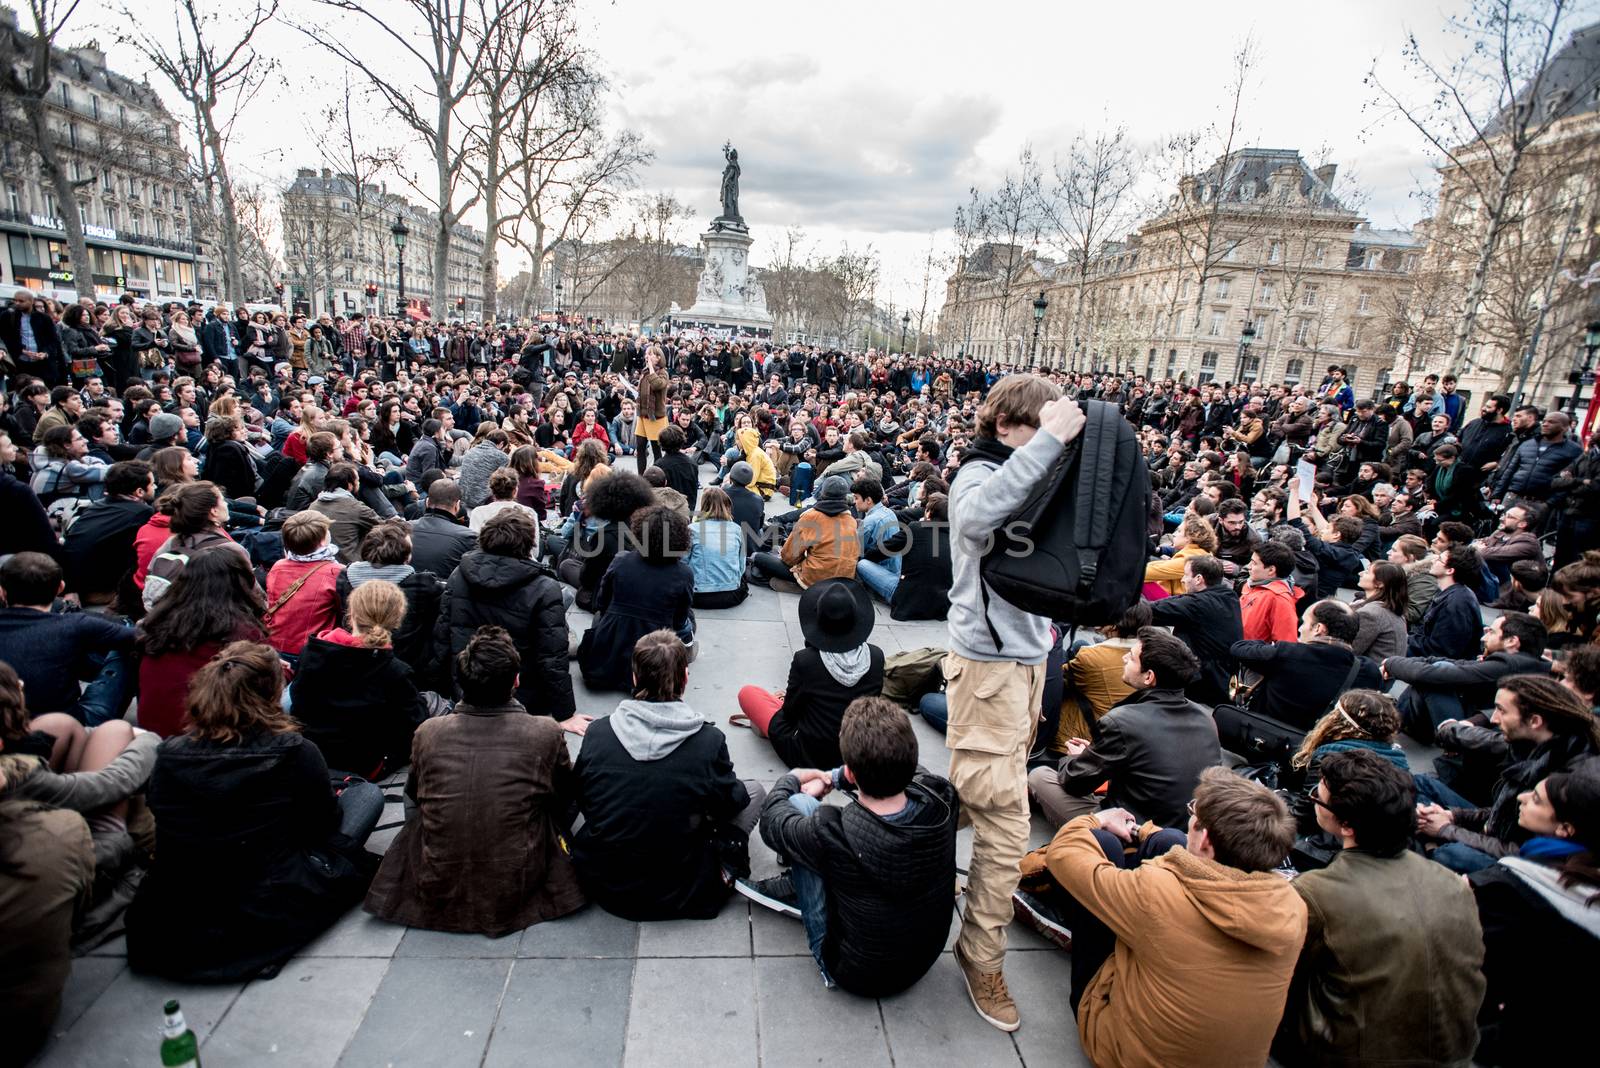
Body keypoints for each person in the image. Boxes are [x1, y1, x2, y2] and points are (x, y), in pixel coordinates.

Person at [943, 375, 1084, 1031]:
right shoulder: (978, 473)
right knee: (1006, 825)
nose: (1050, 447)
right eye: (1040, 431)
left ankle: (892, 840)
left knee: (976, 792)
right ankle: (981, 957)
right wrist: (1049, 439)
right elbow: (972, 521)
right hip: (989, 672)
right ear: (1005, 425)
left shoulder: (1030, 476)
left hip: (1027, 667)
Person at [125, 641, 383, 981]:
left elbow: (163, 816)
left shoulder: (171, 754)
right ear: (271, 694)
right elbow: (324, 824)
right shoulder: (295, 750)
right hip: (263, 909)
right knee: (365, 795)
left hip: (171, 924)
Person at [1042, 766, 1307, 1067]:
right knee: (1168, 840)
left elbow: (1063, 853)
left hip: (1124, 1054)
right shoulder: (1292, 906)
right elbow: (1183, 853)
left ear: (1205, 841)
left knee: (1105, 845)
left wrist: (1099, 818)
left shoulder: (1157, 892)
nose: (1189, 817)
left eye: (1193, 813)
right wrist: (1142, 831)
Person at [364, 625, 585, 936]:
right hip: (519, 876)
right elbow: (564, 795)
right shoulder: (544, 731)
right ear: (516, 681)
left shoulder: (429, 731)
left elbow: (415, 792)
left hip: (437, 879)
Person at [1274, 748, 1486, 1067]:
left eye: (1317, 798)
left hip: (1353, 1054)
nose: (1312, 800)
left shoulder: (1317, 892)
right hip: (1456, 1051)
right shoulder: (1452, 882)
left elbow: (1279, 968)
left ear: (1346, 825)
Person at [736, 696, 959, 996]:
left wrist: (792, 779)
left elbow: (773, 823)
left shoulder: (833, 831)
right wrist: (835, 778)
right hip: (921, 961)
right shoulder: (942, 797)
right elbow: (913, 772)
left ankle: (812, 925)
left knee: (800, 805)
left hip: (856, 973)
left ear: (854, 772)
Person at [572, 630, 764, 920]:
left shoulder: (598, 732)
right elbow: (731, 803)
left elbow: (584, 797)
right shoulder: (708, 741)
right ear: (685, 678)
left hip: (608, 885)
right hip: (685, 889)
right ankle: (723, 868)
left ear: (634, 677)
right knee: (754, 792)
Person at [1468, 768, 1600, 1066]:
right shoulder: (1583, 872)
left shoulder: (1516, 886)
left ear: (1566, 828)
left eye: (1537, 799)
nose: (1522, 797)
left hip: (1532, 1036)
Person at [1028, 627, 1222, 829]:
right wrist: (1094, 754)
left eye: (1130, 658)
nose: (1123, 660)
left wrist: (1075, 758)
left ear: (1149, 677)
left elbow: (1075, 783)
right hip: (1188, 828)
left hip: (1132, 830)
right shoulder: (1206, 717)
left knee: (1039, 776)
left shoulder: (1122, 721)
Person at [1415, 674, 1600, 872]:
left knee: (1451, 854)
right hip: (1496, 829)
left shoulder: (1573, 782)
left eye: (1501, 710)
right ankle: (1429, 843)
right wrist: (1453, 816)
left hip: (1526, 864)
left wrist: (1447, 830)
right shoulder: (1532, 747)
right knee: (1419, 785)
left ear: (1534, 721)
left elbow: (1524, 852)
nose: (1493, 719)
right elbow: (1502, 813)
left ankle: (1431, 847)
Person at [434, 509, 585, 732]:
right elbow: (552, 655)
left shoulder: (459, 574)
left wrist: (440, 693)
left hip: (466, 686)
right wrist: (565, 713)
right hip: (521, 694)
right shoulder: (544, 587)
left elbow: (442, 636)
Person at [733, 579, 886, 769]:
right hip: (856, 754)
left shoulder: (806, 661)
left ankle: (766, 725)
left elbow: (790, 713)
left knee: (748, 693)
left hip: (810, 756)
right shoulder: (876, 656)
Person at [289, 579, 427, 779]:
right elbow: (415, 723)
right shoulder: (393, 670)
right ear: (397, 620)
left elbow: (299, 704)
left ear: (351, 614)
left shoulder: (312, 651)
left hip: (315, 757)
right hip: (366, 764)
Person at [135, 548, 268, 738]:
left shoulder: (157, 621)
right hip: (202, 740)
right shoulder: (240, 632)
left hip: (153, 736)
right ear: (240, 583)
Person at [0, 552, 135, 725]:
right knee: (126, 646)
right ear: (60, 588)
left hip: (8, 723)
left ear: (3, 592)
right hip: (71, 727)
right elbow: (141, 638)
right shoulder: (74, 625)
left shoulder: (74, 626)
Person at [578, 505, 696, 691]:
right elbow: (678, 620)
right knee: (689, 620)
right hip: (654, 659)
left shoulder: (621, 560)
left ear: (640, 533)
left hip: (605, 661)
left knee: (601, 617)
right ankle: (687, 650)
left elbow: (602, 602)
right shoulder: (683, 573)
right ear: (680, 538)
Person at [1386, 612, 1549, 744]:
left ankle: (1392, 720)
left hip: (1473, 731)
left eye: (1491, 632)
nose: (1484, 638)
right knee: (1441, 668)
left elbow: (1434, 674)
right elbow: (1460, 664)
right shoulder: (1528, 662)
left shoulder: (1509, 665)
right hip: (1478, 720)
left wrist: (1390, 664)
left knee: (1437, 677)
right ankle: (1394, 717)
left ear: (1512, 641)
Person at [1231, 599, 1384, 732]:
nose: (1300, 628)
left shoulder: (1288, 653)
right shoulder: (1368, 671)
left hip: (1263, 736)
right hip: (1319, 750)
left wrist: (1272, 645)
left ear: (1318, 629)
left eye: (1304, 622)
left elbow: (1239, 649)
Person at [1146, 553, 1243, 706]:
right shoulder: (1229, 596)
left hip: (1204, 688)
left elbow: (1149, 611)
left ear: (1198, 579)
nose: (1183, 580)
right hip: (1223, 679)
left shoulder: (1198, 604)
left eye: (1185, 575)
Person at [59, 460, 155, 604]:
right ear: (139, 491)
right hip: (103, 590)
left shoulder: (96, 506)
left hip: (74, 582)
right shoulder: (142, 512)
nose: (155, 487)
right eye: (152, 484)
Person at [750, 475, 860, 590]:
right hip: (843, 582)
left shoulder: (811, 517)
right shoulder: (851, 520)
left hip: (814, 580)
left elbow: (789, 558)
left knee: (758, 557)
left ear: (822, 493)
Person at [263, 510, 345, 659]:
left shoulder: (278, 566)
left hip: (274, 647)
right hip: (310, 651)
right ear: (322, 541)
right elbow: (342, 613)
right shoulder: (336, 572)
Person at [1406, 544, 1484, 659]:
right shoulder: (1450, 593)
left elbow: (1442, 650)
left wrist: (1405, 639)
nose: (1434, 560)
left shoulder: (1457, 603)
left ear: (1450, 570)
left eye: (1439, 559)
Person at [686, 486, 748, 609]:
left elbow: (683, 563)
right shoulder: (736, 529)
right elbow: (741, 566)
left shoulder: (692, 529)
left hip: (697, 596)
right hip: (731, 595)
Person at [409, 478, 477, 579]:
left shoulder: (401, 529)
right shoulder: (468, 537)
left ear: (427, 502)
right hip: (446, 592)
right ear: (457, 505)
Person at [1238, 540, 1300, 643]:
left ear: (1271, 570)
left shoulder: (1279, 600)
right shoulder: (1252, 586)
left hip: (1251, 657)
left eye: (1254, 563)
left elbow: (1285, 645)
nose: (1248, 567)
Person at [1143, 512, 1217, 597]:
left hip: (1177, 603)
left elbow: (1147, 572)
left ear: (1189, 538)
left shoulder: (1191, 559)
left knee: (1135, 577)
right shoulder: (1198, 552)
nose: (1175, 535)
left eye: (1179, 531)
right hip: (1179, 600)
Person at [1350, 559, 1409, 660]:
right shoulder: (1391, 610)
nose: (1360, 573)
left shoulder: (1370, 614)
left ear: (1380, 583)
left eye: (1367, 572)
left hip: (1369, 673)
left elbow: (1351, 651)